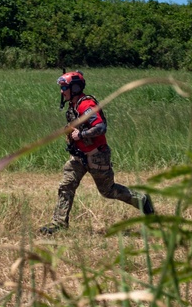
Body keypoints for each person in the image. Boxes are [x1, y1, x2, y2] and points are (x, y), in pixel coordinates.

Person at [39, 71, 154, 235]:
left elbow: (100, 127)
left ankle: (142, 200)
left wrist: (81, 135)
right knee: (66, 185)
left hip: (97, 156)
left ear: (75, 88)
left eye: (64, 87)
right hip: (79, 156)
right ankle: (59, 224)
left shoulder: (86, 105)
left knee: (108, 191)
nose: (61, 91)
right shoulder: (73, 105)